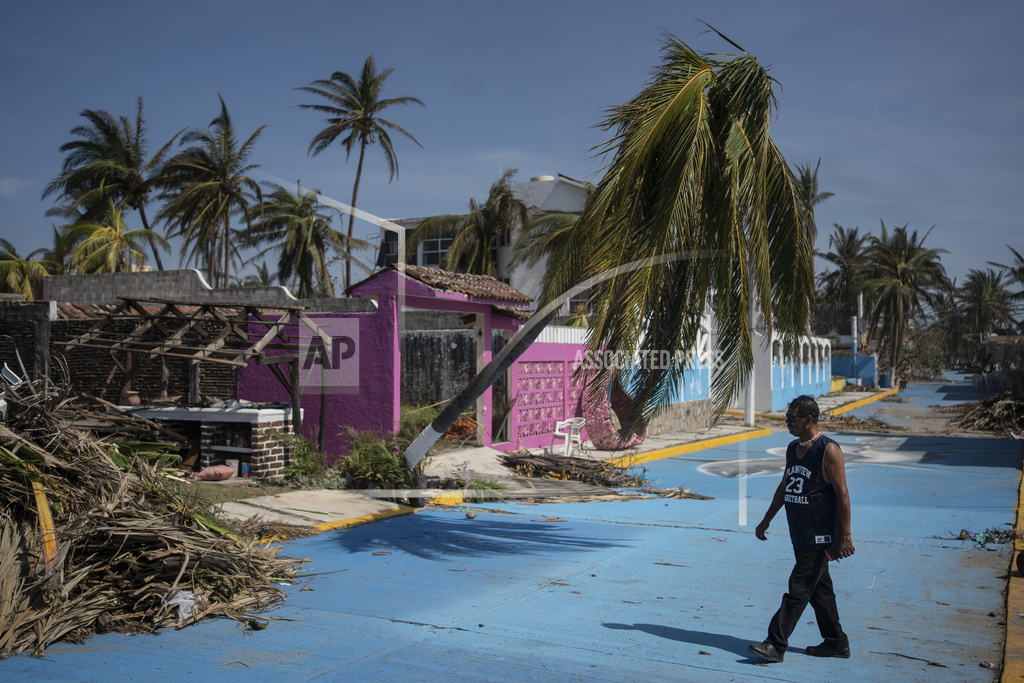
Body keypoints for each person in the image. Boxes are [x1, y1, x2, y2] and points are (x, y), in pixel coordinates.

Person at [748, 395, 854, 663]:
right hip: (800, 534)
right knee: (820, 592)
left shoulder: (829, 450)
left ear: (809, 419)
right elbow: (785, 487)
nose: (787, 423)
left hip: (820, 537)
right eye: (786, 418)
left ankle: (775, 643)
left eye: (792, 418)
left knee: (799, 588)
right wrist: (766, 519)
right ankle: (836, 643)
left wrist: (845, 536)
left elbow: (842, 495)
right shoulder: (792, 448)